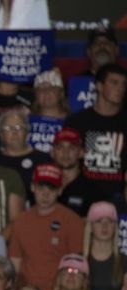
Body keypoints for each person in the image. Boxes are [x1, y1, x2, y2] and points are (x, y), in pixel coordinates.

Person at [8, 163, 85, 290]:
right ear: (32, 187)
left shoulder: (72, 221)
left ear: (60, 190)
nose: (45, 193)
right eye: (40, 187)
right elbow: (15, 263)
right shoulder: (20, 221)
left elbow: (76, 265)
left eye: (51, 188)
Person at [64, 63, 127, 203]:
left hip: (117, 200)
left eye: (123, 84)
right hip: (80, 197)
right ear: (98, 86)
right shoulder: (76, 122)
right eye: (114, 83)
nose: (120, 89)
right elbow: (64, 158)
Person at [0, 109, 52, 204]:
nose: (14, 132)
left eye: (19, 127)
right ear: (0, 134)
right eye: (8, 128)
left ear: (27, 131)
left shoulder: (43, 159)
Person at [83, 202, 127, 290]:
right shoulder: (79, 260)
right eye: (99, 221)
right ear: (90, 226)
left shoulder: (124, 261)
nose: (105, 226)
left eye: (110, 221)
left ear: (115, 226)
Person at [53, 127, 105, 218]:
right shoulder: (43, 186)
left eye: (71, 148)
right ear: (52, 152)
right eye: (60, 147)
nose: (65, 153)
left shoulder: (93, 192)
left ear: (81, 152)